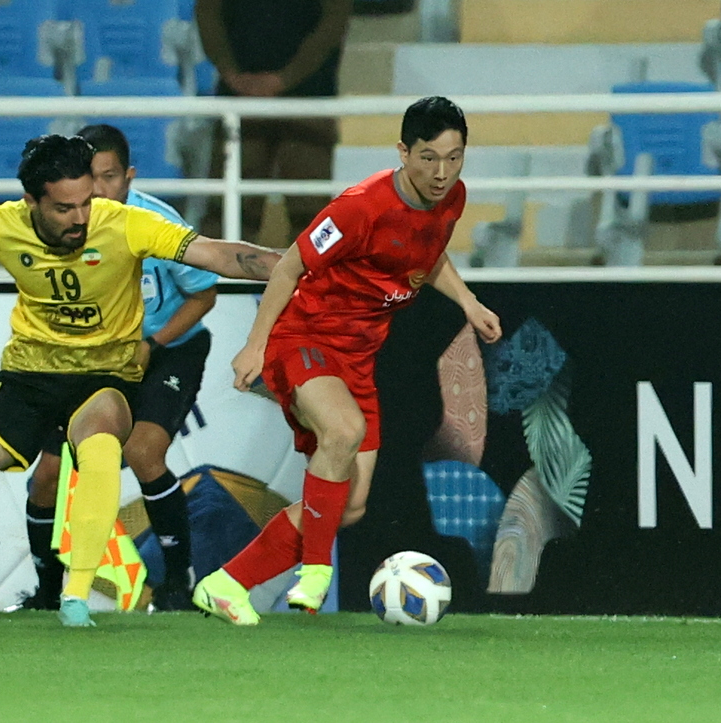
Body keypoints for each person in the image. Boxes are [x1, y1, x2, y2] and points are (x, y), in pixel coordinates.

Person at [0, 134, 281, 628]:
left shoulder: (124, 224)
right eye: (65, 208)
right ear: (32, 203)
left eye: (87, 202)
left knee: (102, 443)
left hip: (105, 375)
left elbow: (220, 256)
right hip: (28, 377)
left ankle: (75, 596)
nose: (82, 218)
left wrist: (300, 265)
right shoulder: (6, 227)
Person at [191, 96, 503, 625]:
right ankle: (315, 572)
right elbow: (289, 266)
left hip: (358, 356)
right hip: (304, 335)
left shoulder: (451, 199)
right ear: (403, 152)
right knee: (343, 431)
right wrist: (255, 345)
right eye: (428, 157)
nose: (442, 172)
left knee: (350, 505)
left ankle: (225, 584)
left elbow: (428, 254)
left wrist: (468, 301)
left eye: (454, 158)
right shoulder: (359, 207)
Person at [20, 124, 219, 612]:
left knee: (144, 451)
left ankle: (178, 584)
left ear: (128, 176)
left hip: (169, 348)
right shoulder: (65, 226)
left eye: (109, 177)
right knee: (46, 476)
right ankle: (48, 591)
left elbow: (204, 294)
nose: (99, 190)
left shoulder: (155, 222)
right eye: (89, 179)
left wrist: (154, 342)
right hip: (94, 355)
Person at [195, 0, 353, 245]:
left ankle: (314, 281)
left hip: (309, 102)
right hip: (239, 104)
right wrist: (232, 73)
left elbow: (332, 24)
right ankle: (220, 282)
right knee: (227, 210)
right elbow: (208, 13)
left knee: (311, 213)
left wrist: (282, 79)